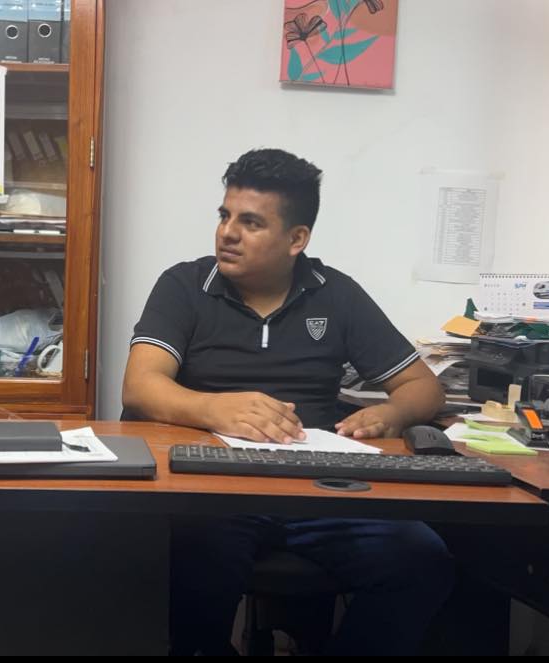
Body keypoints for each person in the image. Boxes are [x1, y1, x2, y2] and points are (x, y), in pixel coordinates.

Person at [122, 148, 453, 655]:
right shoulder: (185, 286)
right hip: (213, 486)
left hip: (317, 486)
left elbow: (424, 387)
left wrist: (392, 413)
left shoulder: (336, 294)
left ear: (297, 239)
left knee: (422, 560)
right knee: (186, 554)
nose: (227, 233)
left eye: (251, 222)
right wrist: (215, 409)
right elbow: (140, 385)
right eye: (225, 215)